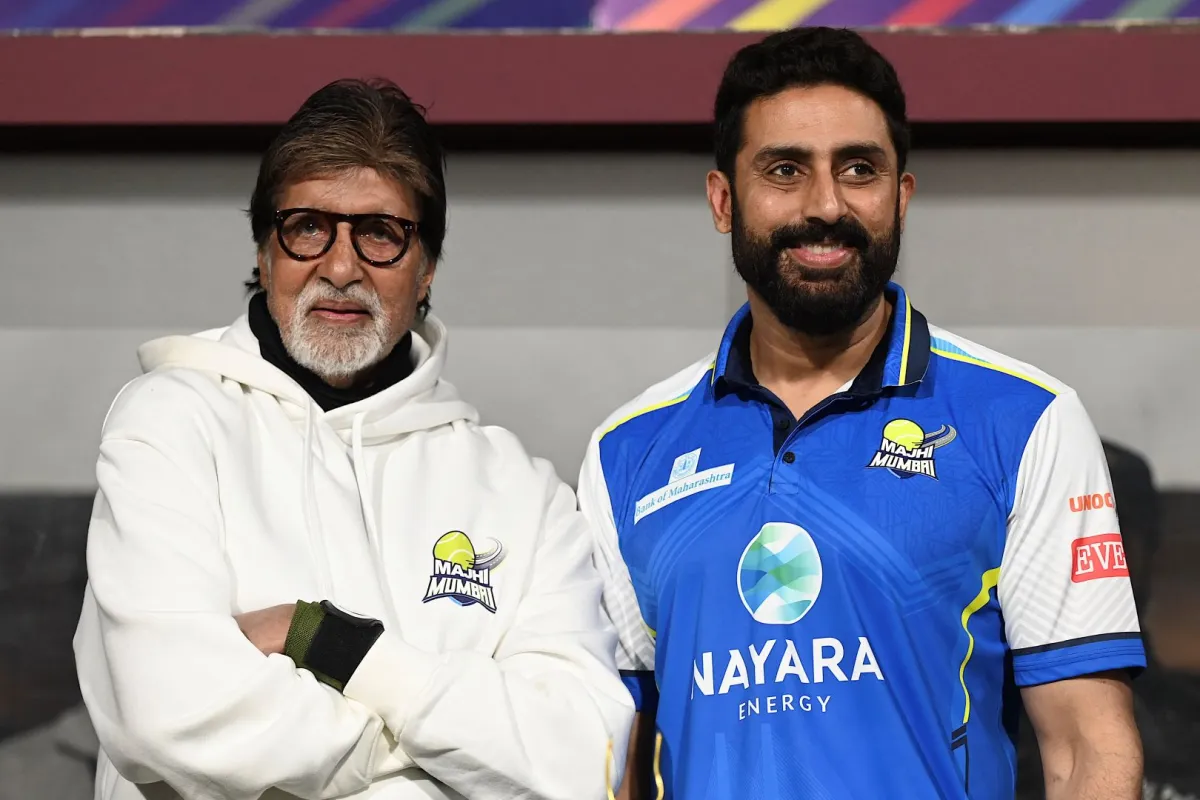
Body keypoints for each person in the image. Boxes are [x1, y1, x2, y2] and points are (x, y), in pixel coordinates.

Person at [579, 27, 1145, 800]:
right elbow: (611, 759)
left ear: (901, 195)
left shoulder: (1025, 421)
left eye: (859, 169)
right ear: (723, 199)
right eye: (785, 170)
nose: (826, 205)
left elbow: (1088, 752)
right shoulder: (625, 452)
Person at [74, 78, 634, 800]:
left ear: (426, 267)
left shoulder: (520, 493)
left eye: (380, 233)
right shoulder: (169, 424)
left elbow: (588, 761)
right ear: (265, 249)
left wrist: (335, 646)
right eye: (308, 227)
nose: (340, 268)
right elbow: (167, 712)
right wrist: (446, 758)